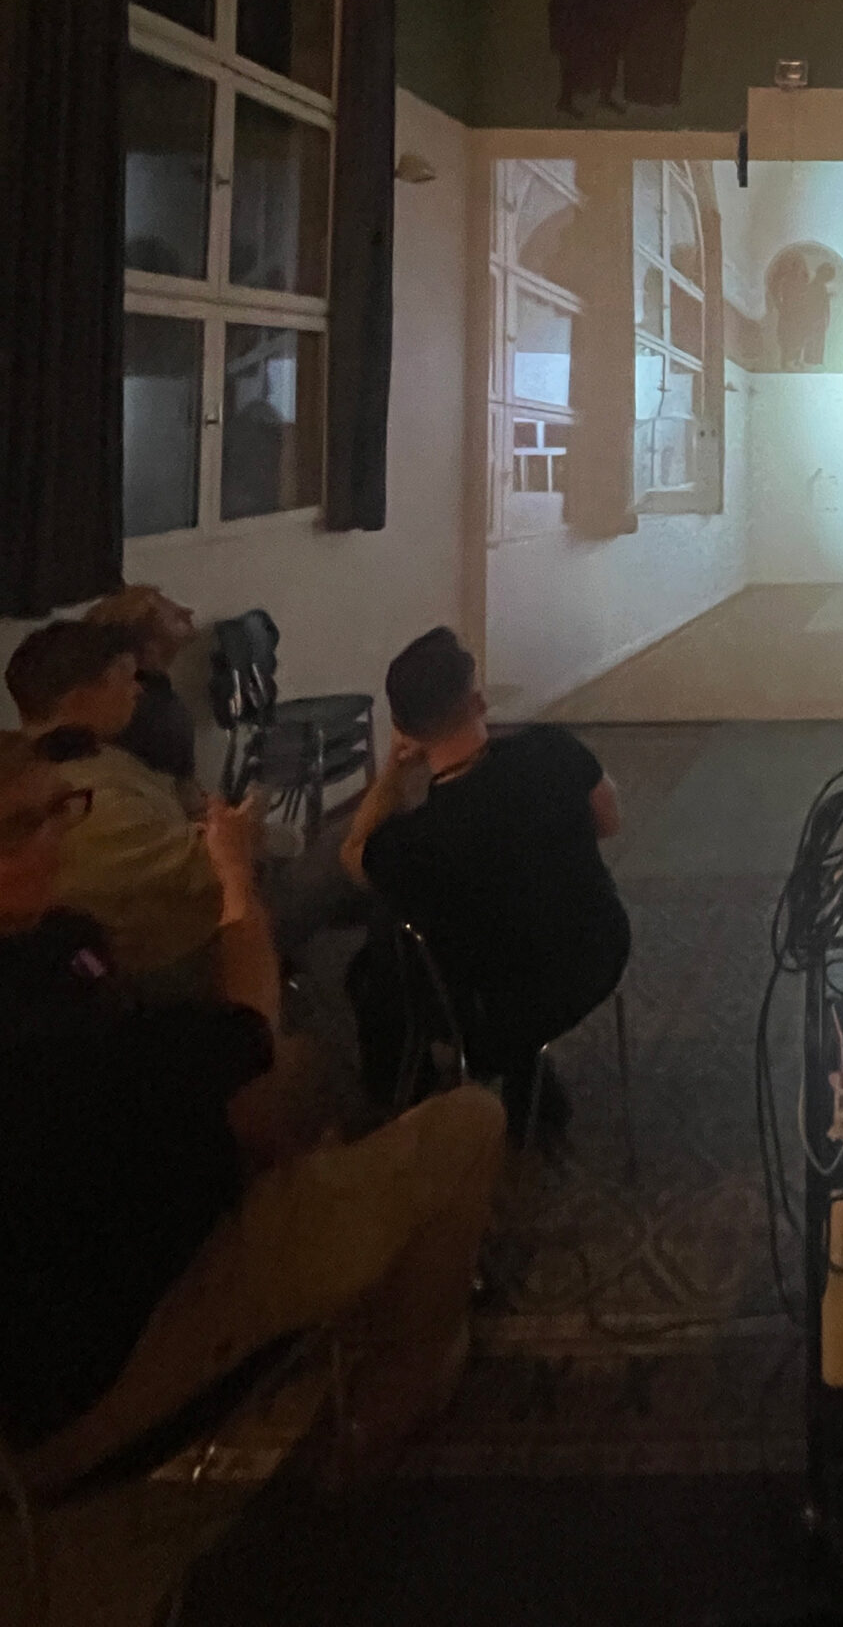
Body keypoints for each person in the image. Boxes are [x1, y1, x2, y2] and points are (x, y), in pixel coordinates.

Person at [0, 728, 505, 1489]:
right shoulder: (36, 1032)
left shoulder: (55, 941)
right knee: (469, 1122)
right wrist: (233, 872)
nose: (55, 838)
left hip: (117, 1230)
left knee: (298, 1080)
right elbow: (247, 1026)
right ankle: (397, 1397)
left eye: (58, 809)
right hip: (95, 1369)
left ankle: (343, 1241)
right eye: (18, 828)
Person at [342, 629, 630, 1141]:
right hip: (600, 953)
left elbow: (352, 855)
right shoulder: (552, 749)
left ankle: (405, 1110)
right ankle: (530, 1089)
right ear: (477, 702)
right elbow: (608, 821)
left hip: (500, 1010)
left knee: (381, 954)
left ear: (403, 728)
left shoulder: (415, 843)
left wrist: (391, 774)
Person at [6, 619, 221, 979]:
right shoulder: (82, 797)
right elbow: (207, 868)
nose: (137, 689)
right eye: (124, 678)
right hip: (173, 961)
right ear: (80, 698)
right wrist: (249, 820)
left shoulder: (96, 754)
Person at [86, 584, 199, 798]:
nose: (188, 611)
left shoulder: (154, 700)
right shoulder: (149, 708)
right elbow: (175, 792)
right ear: (147, 642)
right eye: (161, 601)